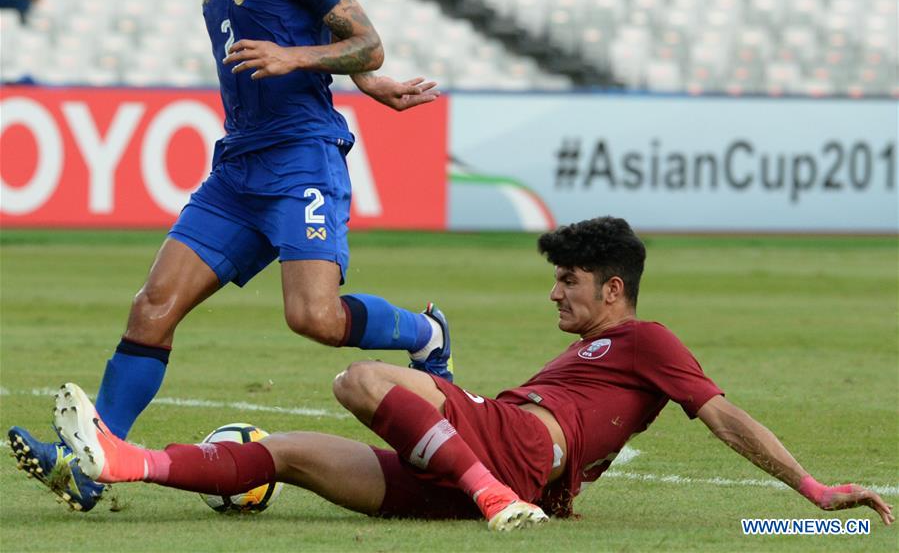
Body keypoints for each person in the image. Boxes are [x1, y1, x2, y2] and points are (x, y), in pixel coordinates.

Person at [8, 0, 450, 514]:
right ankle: (95, 462)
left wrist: (314, 62)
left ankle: (426, 332)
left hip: (302, 159)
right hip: (236, 167)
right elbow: (333, 45)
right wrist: (352, 73)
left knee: (313, 317)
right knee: (152, 307)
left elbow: (367, 41)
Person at [51, 217, 894, 531]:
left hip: (513, 452)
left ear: (612, 287)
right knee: (290, 454)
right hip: (487, 455)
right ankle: (129, 460)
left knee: (358, 383)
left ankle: (490, 492)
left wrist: (811, 491)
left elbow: (721, 414)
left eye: (569, 279)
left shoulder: (645, 338)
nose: (555, 289)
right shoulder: (576, 358)